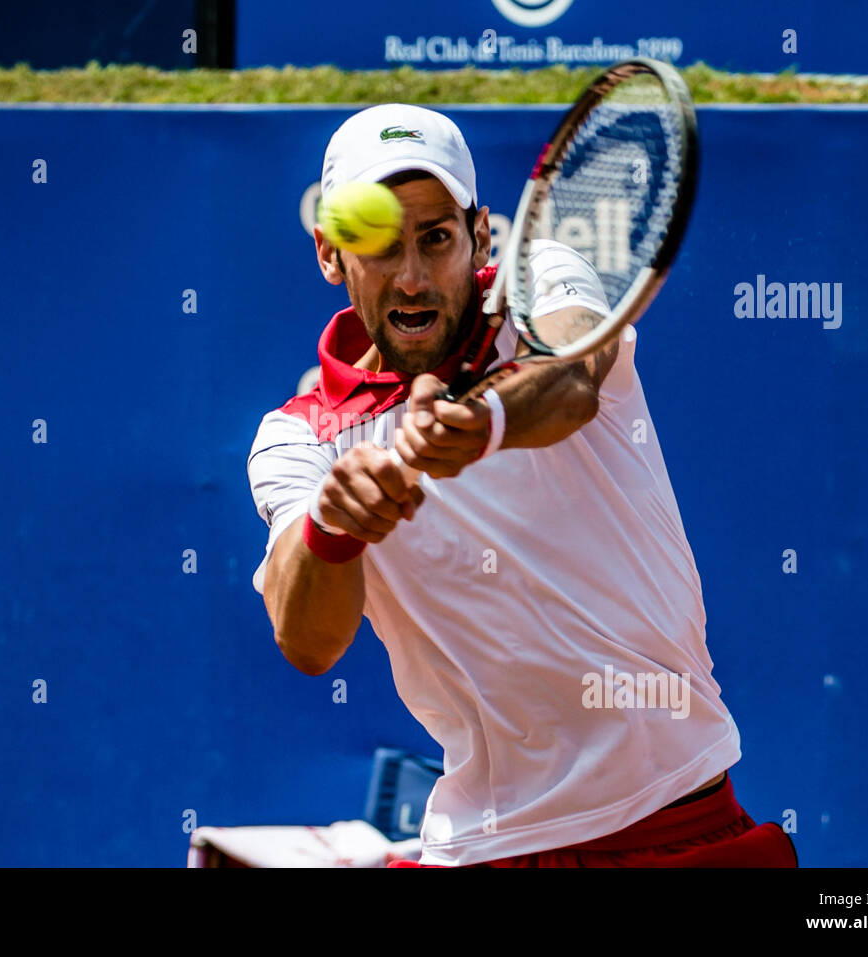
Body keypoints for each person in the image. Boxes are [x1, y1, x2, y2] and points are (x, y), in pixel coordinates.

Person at [246, 103, 796, 868]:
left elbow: (571, 378)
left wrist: (488, 419)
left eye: (436, 238)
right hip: (487, 846)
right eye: (377, 243)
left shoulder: (541, 279)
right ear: (331, 253)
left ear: (477, 235)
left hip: (676, 822)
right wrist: (336, 526)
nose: (411, 276)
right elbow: (305, 641)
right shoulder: (297, 437)